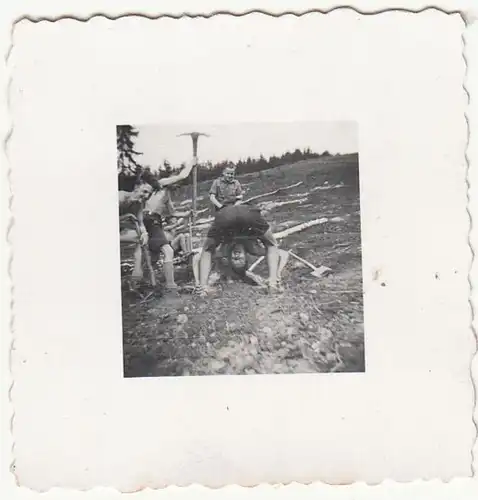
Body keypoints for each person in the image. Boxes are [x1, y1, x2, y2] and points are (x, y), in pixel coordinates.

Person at [196, 204, 281, 295]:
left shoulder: (226, 250)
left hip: (230, 216)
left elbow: (207, 251)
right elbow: (272, 247)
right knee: (271, 244)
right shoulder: (252, 249)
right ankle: (273, 282)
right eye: (239, 259)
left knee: (271, 244)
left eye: (235, 259)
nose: (236, 255)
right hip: (240, 215)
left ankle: (203, 287)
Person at [141, 161, 194, 295]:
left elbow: (173, 213)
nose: (177, 186)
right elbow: (183, 175)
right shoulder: (162, 183)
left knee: (153, 255)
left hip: (152, 221)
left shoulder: (167, 197)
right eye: (176, 184)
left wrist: (187, 214)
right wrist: (192, 163)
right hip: (151, 219)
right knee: (168, 251)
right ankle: (171, 286)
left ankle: (147, 282)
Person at [118, 180, 154, 282]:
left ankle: (137, 272)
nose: (146, 196)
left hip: (120, 231)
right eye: (145, 191)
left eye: (149, 194)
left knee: (140, 238)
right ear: (136, 187)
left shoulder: (138, 204)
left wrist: (145, 233)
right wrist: (127, 217)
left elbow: (140, 222)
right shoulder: (120, 197)